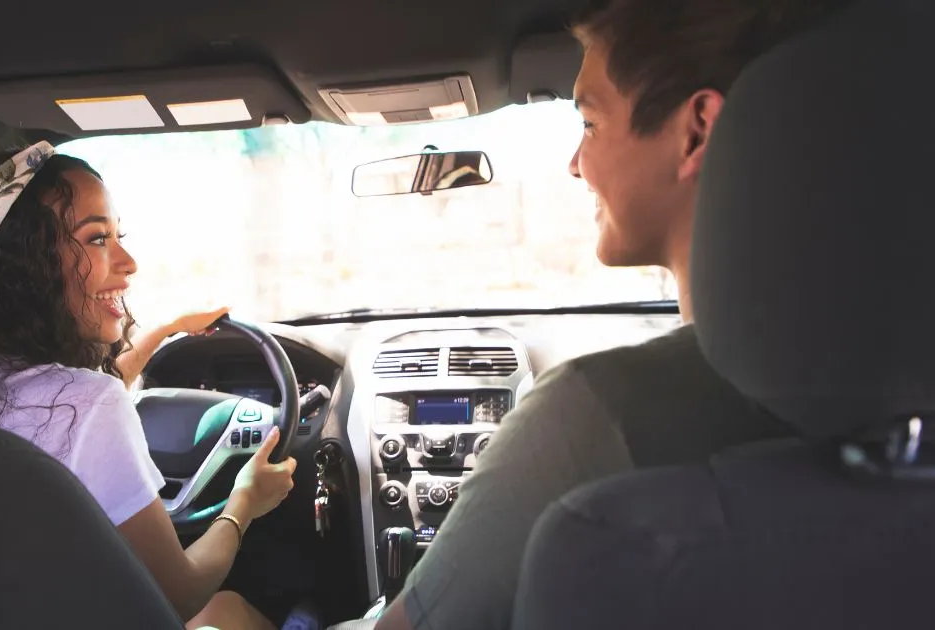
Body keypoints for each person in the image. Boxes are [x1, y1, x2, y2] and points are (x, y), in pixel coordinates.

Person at [362, 1, 854, 629]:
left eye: (590, 123)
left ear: (696, 131)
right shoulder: (905, 406)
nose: (574, 162)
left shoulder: (595, 418)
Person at [0, 144, 295, 630]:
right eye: (97, 239)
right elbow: (175, 597)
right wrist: (245, 501)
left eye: (119, 236)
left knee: (224, 612)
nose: (129, 261)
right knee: (231, 611)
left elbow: (83, 400)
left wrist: (167, 331)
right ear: (28, 264)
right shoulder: (89, 405)